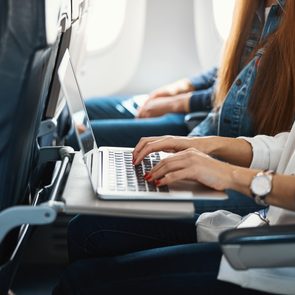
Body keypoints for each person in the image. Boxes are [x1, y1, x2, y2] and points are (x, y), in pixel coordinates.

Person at [53, 88, 295, 295]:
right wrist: (204, 144)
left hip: (281, 258)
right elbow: (286, 146)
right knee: (85, 230)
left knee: (78, 282)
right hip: (264, 226)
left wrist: (228, 174)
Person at [68, 0, 291, 150]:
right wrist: (177, 89)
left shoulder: (285, 20)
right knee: (87, 108)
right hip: (205, 115)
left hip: (209, 122)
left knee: (78, 136)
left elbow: (244, 94)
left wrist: (177, 103)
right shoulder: (255, 6)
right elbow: (227, 70)